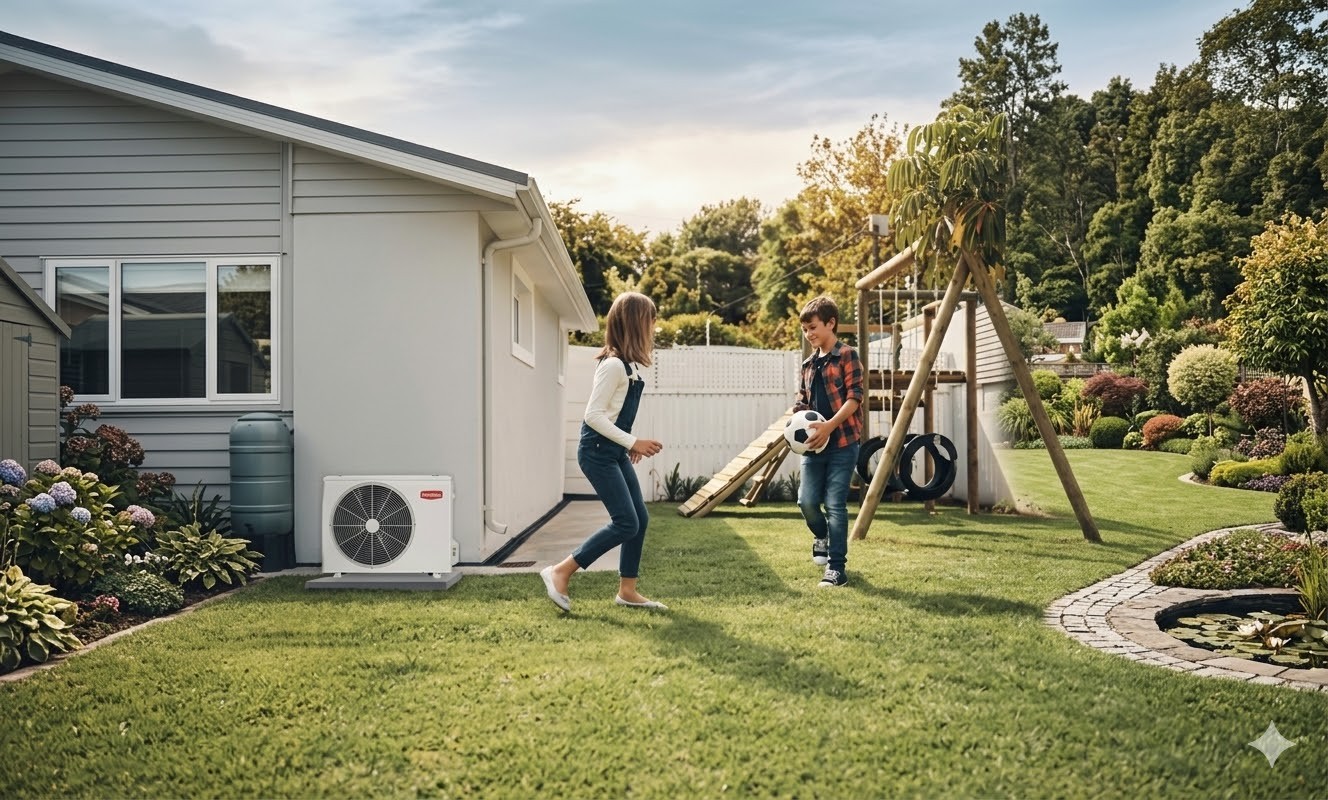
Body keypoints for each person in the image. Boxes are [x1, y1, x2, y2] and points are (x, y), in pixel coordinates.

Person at [540, 292, 667, 612]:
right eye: (651, 319)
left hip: (613, 451)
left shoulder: (631, 368)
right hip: (596, 452)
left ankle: (627, 590)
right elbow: (593, 415)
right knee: (626, 522)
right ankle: (560, 571)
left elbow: (611, 416)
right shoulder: (612, 365)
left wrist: (627, 444)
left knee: (640, 518)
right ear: (637, 323)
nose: (654, 326)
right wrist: (632, 441)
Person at [792, 295, 863, 587]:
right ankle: (821, 535)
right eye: (805, 330)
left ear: (831, 323)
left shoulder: (848, 355)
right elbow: (802, 400)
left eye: (813, 327)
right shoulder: (808, 364)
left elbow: (855, 397)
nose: (809, 334)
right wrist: (798, 420)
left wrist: (830, 426)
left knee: (835, 504)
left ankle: (836, 569)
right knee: (806, 502)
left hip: (844, 444)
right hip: (813, 447)